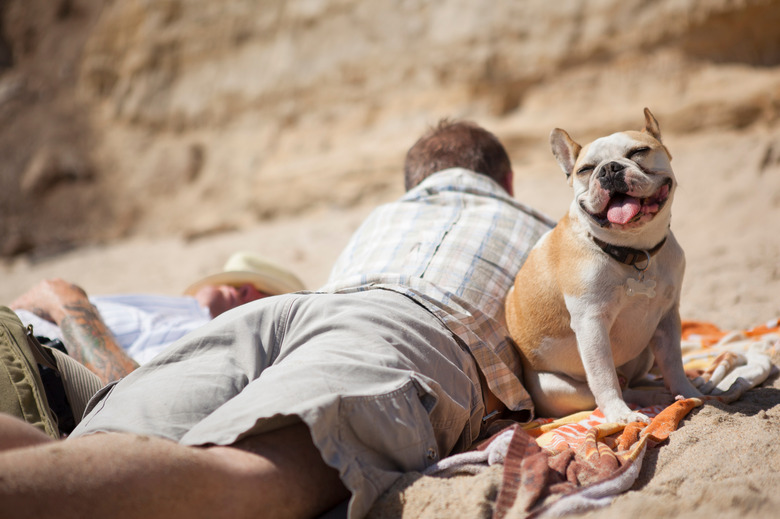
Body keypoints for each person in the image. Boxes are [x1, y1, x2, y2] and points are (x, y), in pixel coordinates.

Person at [0, 120, 554, 519]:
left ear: (414, 187)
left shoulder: (385, 219)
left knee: (77, 459)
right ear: (505, 182)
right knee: (239, 481)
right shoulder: (550, 236)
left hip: (289, 312)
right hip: (407, 331)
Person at [10, 252, 306, 383]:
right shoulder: (174, 313)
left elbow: (125, 390)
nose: (243, 291)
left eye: (265, 295)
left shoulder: (210, 336)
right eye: (236, 282)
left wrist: (63, 300)